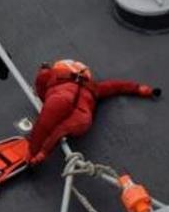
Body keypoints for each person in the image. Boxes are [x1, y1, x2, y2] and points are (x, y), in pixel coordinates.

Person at [28, 59, 160, 165]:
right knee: (60, 130)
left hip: (61, 98)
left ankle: (31, 153)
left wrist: (44, 76)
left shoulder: (54, 74)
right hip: (83, 114)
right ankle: (42, 154)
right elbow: (117, 86)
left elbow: (41, 80)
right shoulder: (95, 87)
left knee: (44, 125)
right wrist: (143, 89)